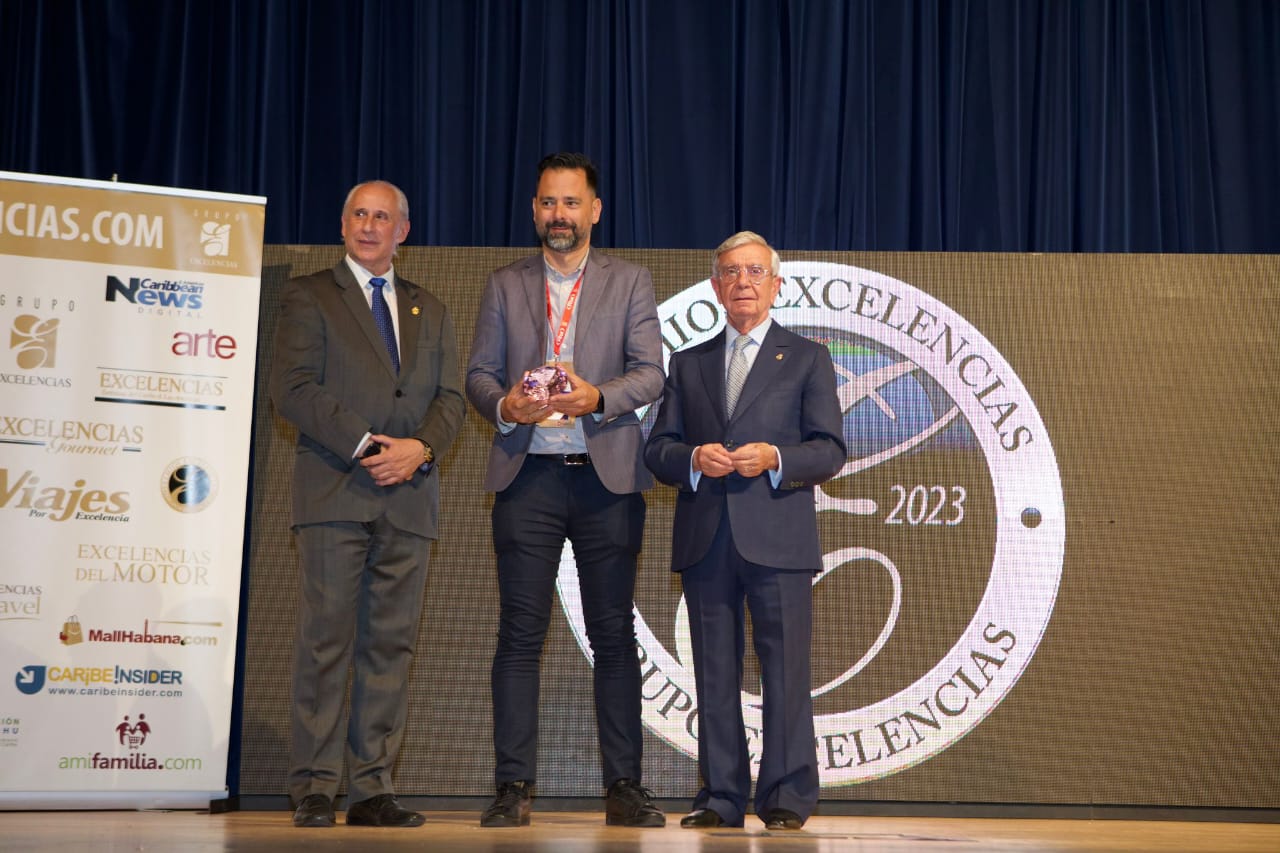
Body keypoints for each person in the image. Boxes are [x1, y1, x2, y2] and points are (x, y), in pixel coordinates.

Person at [466, 152, 665, 828]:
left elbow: (650, 375)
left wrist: (597, 395)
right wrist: (504, 407)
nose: (560, 215)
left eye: (571, 203)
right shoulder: (503, 284)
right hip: (528, 477)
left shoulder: (630, 281)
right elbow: (478, 374)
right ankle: (511, 785)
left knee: (613, 636)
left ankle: (625, 786)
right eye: (549, 202)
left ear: (594, 210)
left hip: (606, 477)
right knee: (520, 635)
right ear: (534, 210)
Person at [270, 180, 465, 829]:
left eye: (382, 216)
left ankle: (371, 787)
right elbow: (291, 388)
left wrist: (419, 449)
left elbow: (451, 400)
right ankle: (316, 785)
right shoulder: (308, 295)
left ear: (402, 231)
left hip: (409, 498)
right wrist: (364, 443)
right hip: (335, 490)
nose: (369, 225)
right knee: (326, 641)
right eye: (359, 213)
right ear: (344, 222)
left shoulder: (429, 308)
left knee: (390, 645)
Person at [643, 231, 846, 831]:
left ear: (776, 285)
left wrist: (775, 458)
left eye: (756, 271)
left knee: (785, 671)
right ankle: (721, 797)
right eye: (732, 272)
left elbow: (829, 450)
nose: (744, 282)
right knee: (713, 671)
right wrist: (691, 462)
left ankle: (785, 796)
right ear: (715, 286)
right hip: (708, 537)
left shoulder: (807, 356)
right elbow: (658, 448)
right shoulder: (689, 362)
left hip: (779, 539)